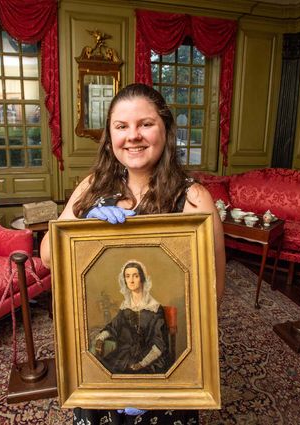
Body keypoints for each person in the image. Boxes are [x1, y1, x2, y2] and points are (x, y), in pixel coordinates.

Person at [40, 83, 225, 425]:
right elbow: (49, 257)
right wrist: (79, 224)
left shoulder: (195, 199)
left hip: (165, 371)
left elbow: (211, 298)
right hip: (102, 379)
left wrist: (152, 378)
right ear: (110, 137)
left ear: (166, 129)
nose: (133, 136)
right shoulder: (93, 186)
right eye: (121, 127)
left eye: (146, 124)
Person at [93, 260, 171, 374]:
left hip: (148, 358)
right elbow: (113, 327)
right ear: (124, 280)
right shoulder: (126, 307)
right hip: (125, 354)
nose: (131, 280)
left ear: (142, 278)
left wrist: (142, 363)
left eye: (135, 276)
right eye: (127, 276)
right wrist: (100, 339)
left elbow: (159, 343)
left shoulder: (154, 308)